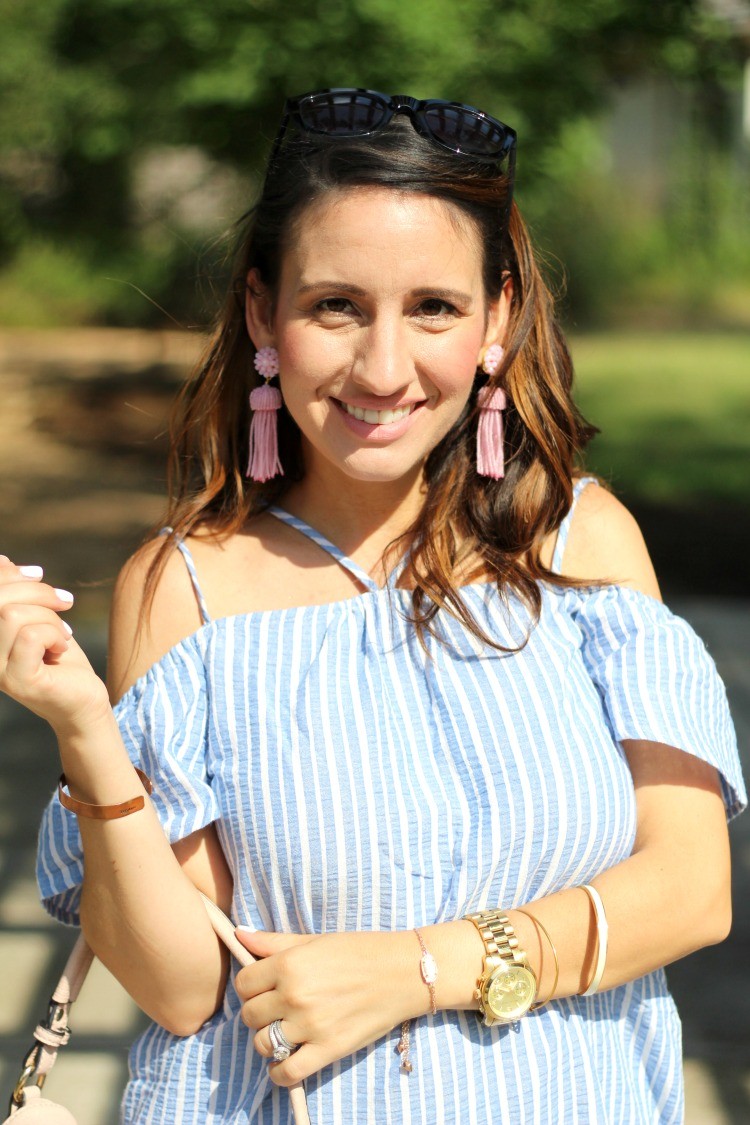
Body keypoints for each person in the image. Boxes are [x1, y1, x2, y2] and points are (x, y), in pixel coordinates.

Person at [1, 88, 744, 1123]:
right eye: (335, 307)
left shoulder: (583, 547)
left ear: (498, 317)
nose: (384, 368)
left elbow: (692, 890)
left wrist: (418, 970)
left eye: (433, 308)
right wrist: (85, 730)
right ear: (264, 313)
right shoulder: (185, 587)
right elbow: (177, 986)